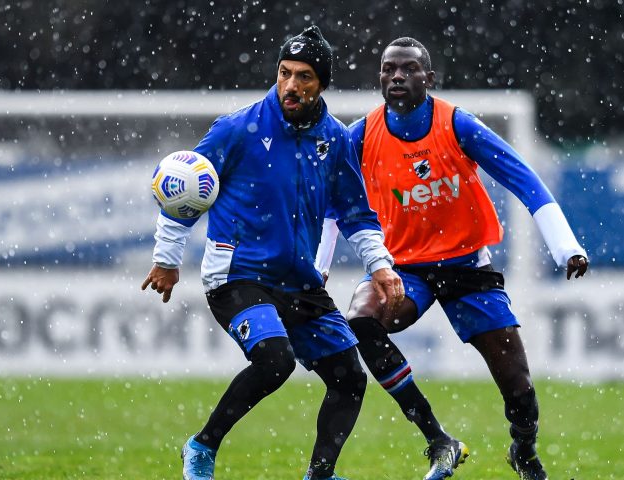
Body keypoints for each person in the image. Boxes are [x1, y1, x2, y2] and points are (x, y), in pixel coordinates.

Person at [316, 37, 589, 480]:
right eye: (388, 69)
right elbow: (330, 205)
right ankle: (437, 437)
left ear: (430, 77)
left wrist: (566, 246)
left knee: (517, 385)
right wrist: (318, 269)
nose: (397, 77)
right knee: (361, 318)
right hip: (402, 268)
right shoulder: (361, 135)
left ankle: (523, 447)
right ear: (380, 77)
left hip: (466, 268)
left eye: (408, 69)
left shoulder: (458, 125)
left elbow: (524, 179)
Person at [142, 26, 405, 480]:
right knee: (275, 360)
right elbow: (181, 190)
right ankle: (201, 447)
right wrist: (167, 259)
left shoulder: (336, 140)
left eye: (304, 76)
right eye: (284, 73)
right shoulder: (236, 129)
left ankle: (320, 474)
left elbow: (356, 213)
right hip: (237, 275)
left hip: (299, 281)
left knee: (350, 377)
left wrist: (380, 265)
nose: (291, 85)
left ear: (321, 83)